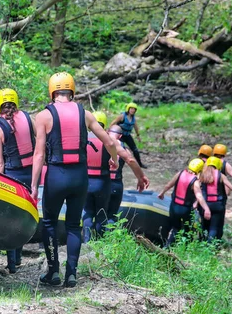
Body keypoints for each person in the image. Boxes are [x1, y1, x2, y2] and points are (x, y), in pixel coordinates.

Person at [30, 72, 118, 288]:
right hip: (80, 176)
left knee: (49, 223)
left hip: (57, 176)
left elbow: (39, 155)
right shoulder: (86, 114)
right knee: (73, 225)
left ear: (52, 91)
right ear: (72, 90)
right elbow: (110, 142)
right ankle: (72, 274)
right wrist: (113, 160)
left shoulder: (43, 116)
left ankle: (53, 272)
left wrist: (34, 186)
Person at [83, 114, 149, 242]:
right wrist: (141, 177)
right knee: (102, 215)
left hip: (86, 182)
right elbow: (129, 159)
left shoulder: (82, 138)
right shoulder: (109, 140)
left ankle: (87, 241)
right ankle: (101, 243)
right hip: (103, 182)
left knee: (88, 213)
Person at [0, 88, 35, 274]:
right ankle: (19, 257)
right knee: (24, 216)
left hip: (11, 176)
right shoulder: (28, 118)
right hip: (31, 173)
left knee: (10, 219)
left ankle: (12, 262)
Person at [158, 158, 211, 248]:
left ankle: (167, 244)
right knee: (187, 230)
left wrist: (162, 193)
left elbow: (169, 185)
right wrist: (206, 209)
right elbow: (199, 196)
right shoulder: (195, 181)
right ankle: (173, 248)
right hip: (184, 209)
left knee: (174, 227)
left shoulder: (180, 173)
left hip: (173, 206)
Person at [104, 125, 149, 228]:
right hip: (116, 183)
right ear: (120, 136)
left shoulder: (100, 143)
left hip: (101, 181)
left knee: (99, 214)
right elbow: (131, 161)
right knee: (112, 215)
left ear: (107, 132)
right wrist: (141, 178)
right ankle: (109, 239)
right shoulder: (122, 148)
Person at [198, 156, 232, 242]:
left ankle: (202, 243)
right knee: (214, 227)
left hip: (205, 205)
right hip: (217, 204)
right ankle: (210, 245)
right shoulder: (221, 175)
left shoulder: (202, 174)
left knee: (204, 225)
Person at [110, 102, 147, 168]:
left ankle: (140, 164)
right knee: (120, 149)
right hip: (120, 136)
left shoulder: (133, 118)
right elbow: (113, 123)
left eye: (134, 109)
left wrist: (138, 135)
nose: (133, 110)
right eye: (131, 109)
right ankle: (115, 162)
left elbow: (136, 127)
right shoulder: (122, 116)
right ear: (128, 109)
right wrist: (109, 131)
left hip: (127, 136)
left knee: (135, 150)